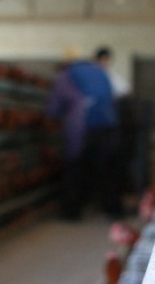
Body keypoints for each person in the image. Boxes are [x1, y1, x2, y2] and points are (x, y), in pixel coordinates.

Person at [46, 53, 123, 221]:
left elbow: (55, 106)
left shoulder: (66, 75)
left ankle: (72, 212)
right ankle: (113, 209)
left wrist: (50, 116)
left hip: (84, 125)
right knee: (106, 168)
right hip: (109, 125)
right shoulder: (100, 71)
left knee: (76, 168)